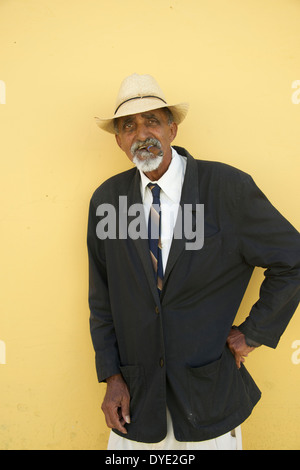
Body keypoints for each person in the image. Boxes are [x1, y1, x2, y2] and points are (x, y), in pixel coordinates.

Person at [87, 73, 300, 450]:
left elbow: (293, 260)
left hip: (209, 399)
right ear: (119, 140)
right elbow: (102, 298)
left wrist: (252, 333)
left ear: (172, 127)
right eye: (128, 126)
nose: (141, 133)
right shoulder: (108, 200)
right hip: (135, 404)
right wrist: (111, 377)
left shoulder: (227, 188)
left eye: (152, 120)